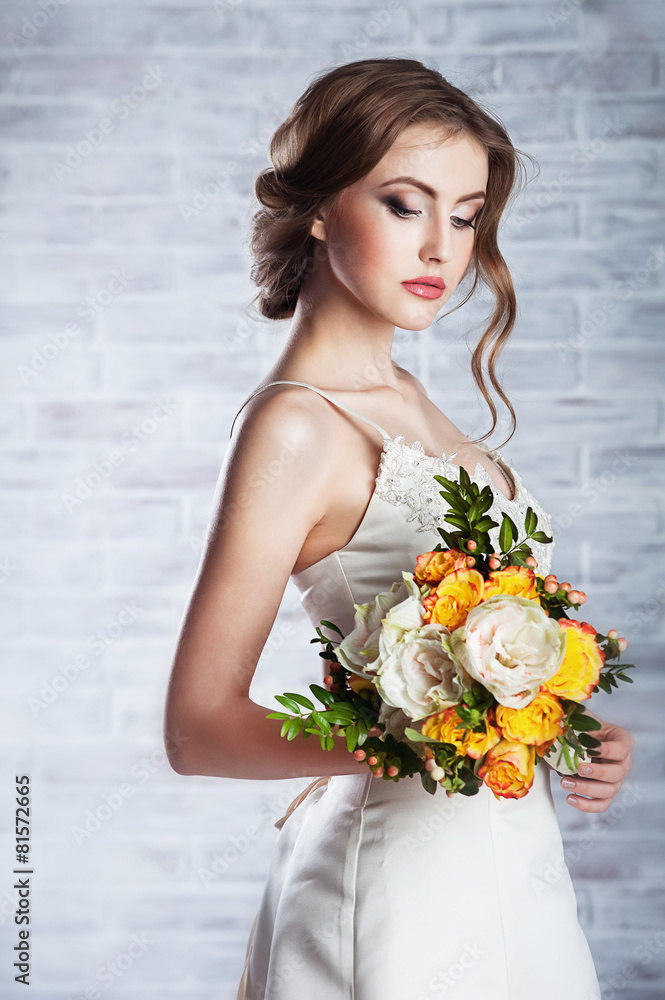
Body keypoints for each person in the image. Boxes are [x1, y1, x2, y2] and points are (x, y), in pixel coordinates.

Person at [164, 57, 635, 999]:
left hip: (509, 866)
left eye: (463, 215)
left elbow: (466, 653)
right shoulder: (296, 423)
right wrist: (426, 738)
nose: (442, 249)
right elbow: (196, 727)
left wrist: (554, 725)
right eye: (403, 204)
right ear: (318, 206)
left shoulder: (408, 397)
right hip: (393, 891)